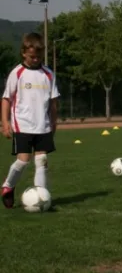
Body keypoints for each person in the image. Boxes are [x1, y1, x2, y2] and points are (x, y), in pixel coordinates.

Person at [1, 33, 59, 209]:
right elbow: (6, 99)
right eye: (32, 56)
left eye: (39, 57)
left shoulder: (48, 74)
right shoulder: (17, 73)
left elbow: (54, 102)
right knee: (23, 160)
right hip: (23, 124)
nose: (35, 60)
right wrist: (5, 122)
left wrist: (54, 123)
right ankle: (8, 187)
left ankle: (40, 197)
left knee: (41, 161)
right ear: (24, 53)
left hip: (43, 125)